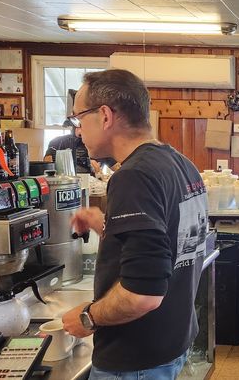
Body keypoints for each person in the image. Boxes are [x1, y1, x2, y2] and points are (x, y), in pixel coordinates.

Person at [62, 69, 208, 379]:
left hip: (136, 357)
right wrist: (107, 225)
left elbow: (143, 294)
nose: (77, 131)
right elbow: (168, 243)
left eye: (79, 119)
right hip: (171, 340)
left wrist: (87, 317)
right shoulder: (181, 164)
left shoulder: (133, 177)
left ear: (104, 116)